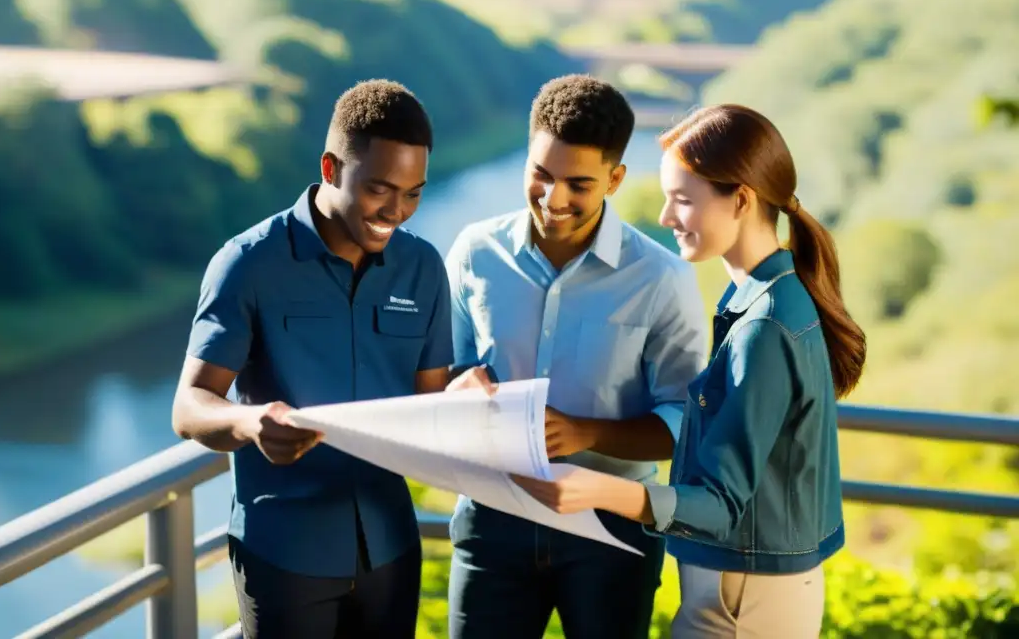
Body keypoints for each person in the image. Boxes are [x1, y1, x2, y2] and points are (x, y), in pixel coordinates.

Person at [513, 103, 867, 638]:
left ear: (741, 200)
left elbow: (722, 504)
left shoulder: (765, 326)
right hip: (746, 592)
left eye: (682, 199)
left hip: (743, 603)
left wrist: (591, 488)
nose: (664, 217)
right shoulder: (764, 300)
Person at [171, 80, 459, 639]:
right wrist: (248, 423)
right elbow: (189, 406)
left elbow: (433, 406)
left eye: (414, 193)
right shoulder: (247, 263)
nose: (396, 211)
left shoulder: (424, 268)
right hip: (283, 551)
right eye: (380, 189)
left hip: (392, 546)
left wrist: (470, 398)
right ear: (330, 168)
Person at [443, 74, 709, 639]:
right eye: (540, 173)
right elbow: (444, 370)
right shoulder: (473, 252)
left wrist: (585, 433)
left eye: (578, 184)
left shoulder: (663, 280)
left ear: (615, 179)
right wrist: (455, 388)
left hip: (612, 533)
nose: (553, 198)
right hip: (493, 520)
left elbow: (686, 425)